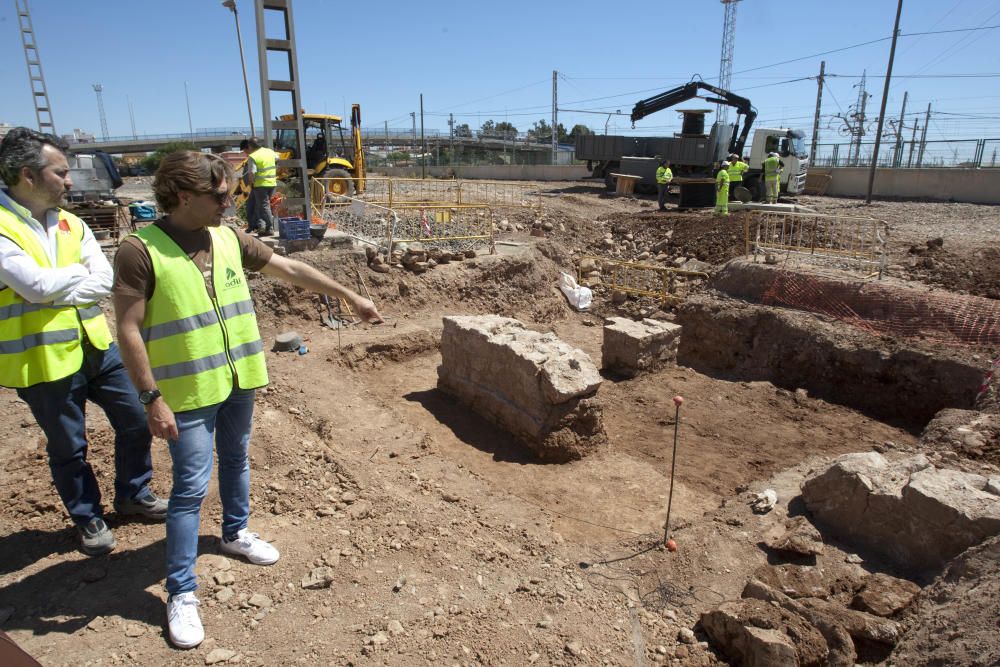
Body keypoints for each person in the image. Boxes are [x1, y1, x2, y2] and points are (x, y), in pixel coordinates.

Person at [112, 151, 382, 649]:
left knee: (236, 458)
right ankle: (181, 591)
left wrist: (349, 296)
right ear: (183, 195)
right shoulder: (139, 250)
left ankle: (234, 534)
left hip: (237, 378)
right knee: (190, 489)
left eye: (232, 193)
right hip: (187, 390)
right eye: (221, 195)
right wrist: (151, 398)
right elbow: (127, 327)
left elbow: (290, 267)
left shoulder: (228, 237)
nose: (230, 203)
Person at [0, 128, 165, 556]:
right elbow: (34, 286)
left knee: (135, 418)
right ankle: (88, 516)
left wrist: (57, 285)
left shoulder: (72, 222)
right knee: (69, 446)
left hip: (97, 345)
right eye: (61, 172)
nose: (70, 181)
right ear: (28, 176)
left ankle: (133, 493)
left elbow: (104, 279)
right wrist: (71, 279)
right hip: (43, 358)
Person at [240, 137, 277, 236]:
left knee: (264, 206)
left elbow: (251, 172)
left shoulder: (253, 156)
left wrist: (251, 183)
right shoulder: (270, 152)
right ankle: (263, 227)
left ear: (250, 146)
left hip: (261, 184)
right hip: (272, 183)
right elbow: (277, 158)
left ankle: (270, 228)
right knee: (263, 206)